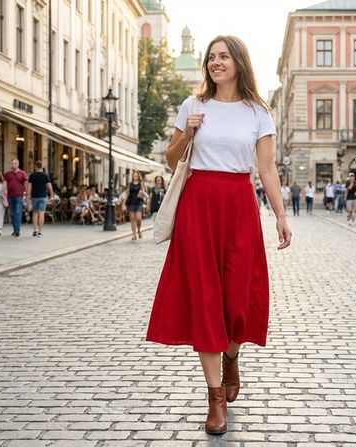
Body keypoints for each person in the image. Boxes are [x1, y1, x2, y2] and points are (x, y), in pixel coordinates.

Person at [146, 35, 292, 436]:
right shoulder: (193, 106)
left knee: (236, 300)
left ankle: (232, 356)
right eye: (211, 58)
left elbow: (266, 169)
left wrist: (280, 215)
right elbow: (172, 160)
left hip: (239, 206)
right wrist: (187, 133)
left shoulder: (258, 112)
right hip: (198, 206)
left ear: (239, 62)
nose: (216, 63)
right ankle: (214, 400)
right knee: (206, 297)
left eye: (223, 56)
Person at [26, 161, 53, 237]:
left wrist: (28, 196)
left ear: (35, 167)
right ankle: (40, 232)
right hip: (43, 197)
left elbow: (29, 187)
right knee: (41, 214)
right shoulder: (45, 175)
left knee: (34, 213)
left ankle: (35, 229)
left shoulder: (32, 175)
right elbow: (49, 186)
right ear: (42, 167)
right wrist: (51, 195)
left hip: (34, 197)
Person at [4, 159, 28, 237]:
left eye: (14, 163)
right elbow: (5, 183)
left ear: (18, 164)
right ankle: (15, 230)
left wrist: (27, 194)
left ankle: (17, 230)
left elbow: (25, 184)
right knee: (12, 214)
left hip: (18, 196)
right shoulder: (7, 174)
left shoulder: (22, 173)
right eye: (12, 163)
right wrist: (3, 192)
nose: (13, 165)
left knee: (18, 213)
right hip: (10, 196)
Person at [126, 170, 148, 240]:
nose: (135, 177)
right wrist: (123, 203)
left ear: (138, 176)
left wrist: (142, 191)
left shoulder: (141, 184)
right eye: (134, 175)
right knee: (132, 219)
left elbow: (144, 192)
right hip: (131, 202)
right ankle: (134, 234)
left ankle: (138, 230)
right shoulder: (130, 184)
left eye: (136, 175)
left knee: (138, 218)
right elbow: (127, 194)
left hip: (139, 202)